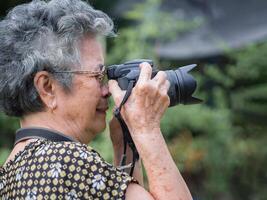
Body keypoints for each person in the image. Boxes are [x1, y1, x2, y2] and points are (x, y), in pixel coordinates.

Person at [0, 0, 192, 199]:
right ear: (47, 87)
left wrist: (124, 145)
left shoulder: (13, 170)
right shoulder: (66, 160)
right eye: (98, 75)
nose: (107, 90)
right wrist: (146, 128)